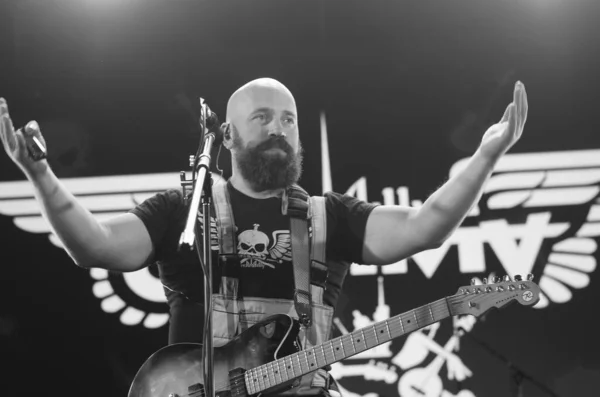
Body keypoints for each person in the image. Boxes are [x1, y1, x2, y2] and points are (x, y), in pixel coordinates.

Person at [0, 77, 528, 396]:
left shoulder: (331, 216)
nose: (279, 128)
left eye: (289, 119)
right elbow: (93, 244)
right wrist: (41, 175)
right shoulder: (186, 209)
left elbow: (425, 227)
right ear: (226, 136)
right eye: (262, 117)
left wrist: (487, 155)